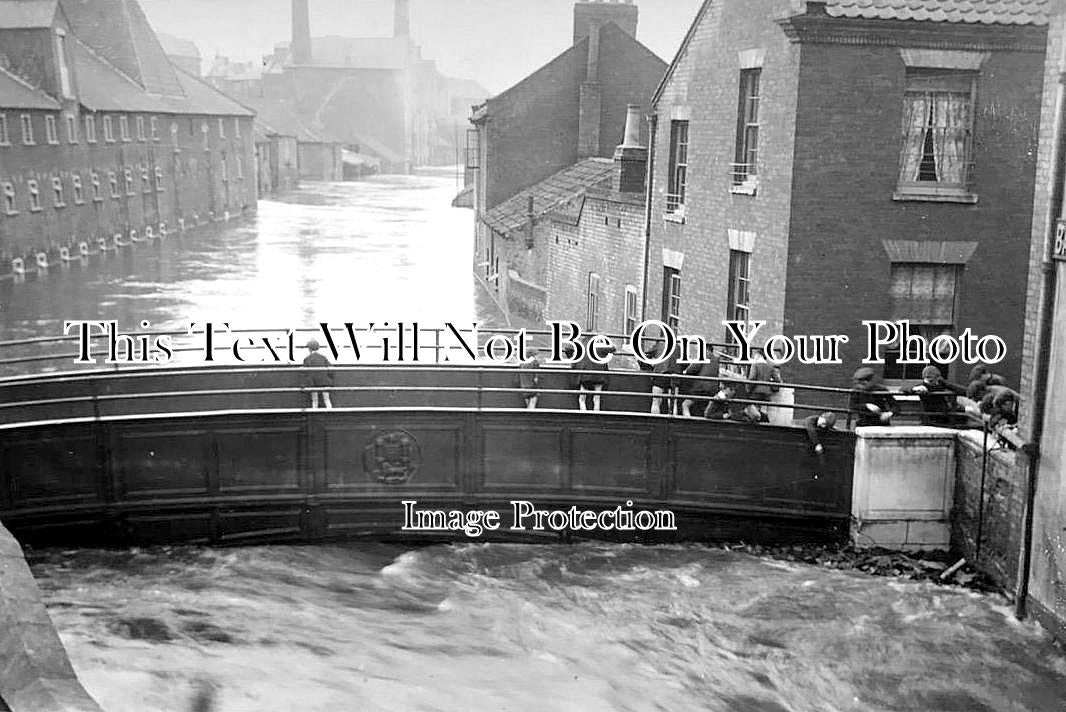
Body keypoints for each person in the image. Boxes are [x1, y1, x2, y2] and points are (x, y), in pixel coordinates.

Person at [901, 365, 968, 427]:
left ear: (937, 378)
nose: (931, 382)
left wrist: (971, 393)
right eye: (928, 380)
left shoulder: (940, 383)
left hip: (944, 414)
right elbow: (904, 389)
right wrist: (914, 389)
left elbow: (957, 388)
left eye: (933, 380)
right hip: (930, 416)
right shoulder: (922, 385)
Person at [568, 334, 614, 412]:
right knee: (597, 398)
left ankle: (583, 413)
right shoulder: (600, 345)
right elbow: (613, 349)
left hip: (584, 375)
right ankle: (596, 415)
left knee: (582, 398)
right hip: (599, 375)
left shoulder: (582, 344)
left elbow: (568, 348)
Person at [680, 346, 720, 417]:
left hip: (701, 388)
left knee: (685, 405)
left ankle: (687, 422)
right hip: (713, 389)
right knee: (702, 407)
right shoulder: (716, 359)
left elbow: (691, 370)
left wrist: (686, 370)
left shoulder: (704, 355)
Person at [746, 351, 782, 422]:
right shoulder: (770, 367)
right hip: (767, 394)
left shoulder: (755, 365)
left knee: (754, 412)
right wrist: (773, 389)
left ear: (759, 356)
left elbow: (752, 378)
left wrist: (748, 389)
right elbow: (777, 380)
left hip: (755, 393)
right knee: (764, 412)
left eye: (755, 356)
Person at [303, 339, 333, 409]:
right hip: (324, 381)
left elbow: (305, 372)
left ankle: (314, 415)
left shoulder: (307, 359)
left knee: (315, 400)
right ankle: (331, 414)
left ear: (309, 349)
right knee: (327, 400)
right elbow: (330, 369)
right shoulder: (323, 358)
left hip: (313, 382)